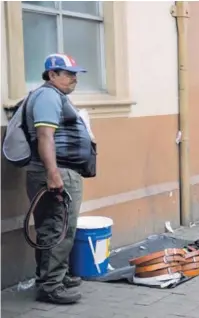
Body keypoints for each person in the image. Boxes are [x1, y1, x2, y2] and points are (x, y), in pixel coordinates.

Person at [25, 53, 91, 304]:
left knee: (52, 227)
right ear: (52, 75)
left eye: (76, 74)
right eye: (68, 73)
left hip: (56, 171)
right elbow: (45, 136)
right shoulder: (48, 97)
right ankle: (51, 286)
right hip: (56, 172)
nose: (74, 79)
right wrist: (53, 174)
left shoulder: (50, 96)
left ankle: (52, 277)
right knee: (60, 229)